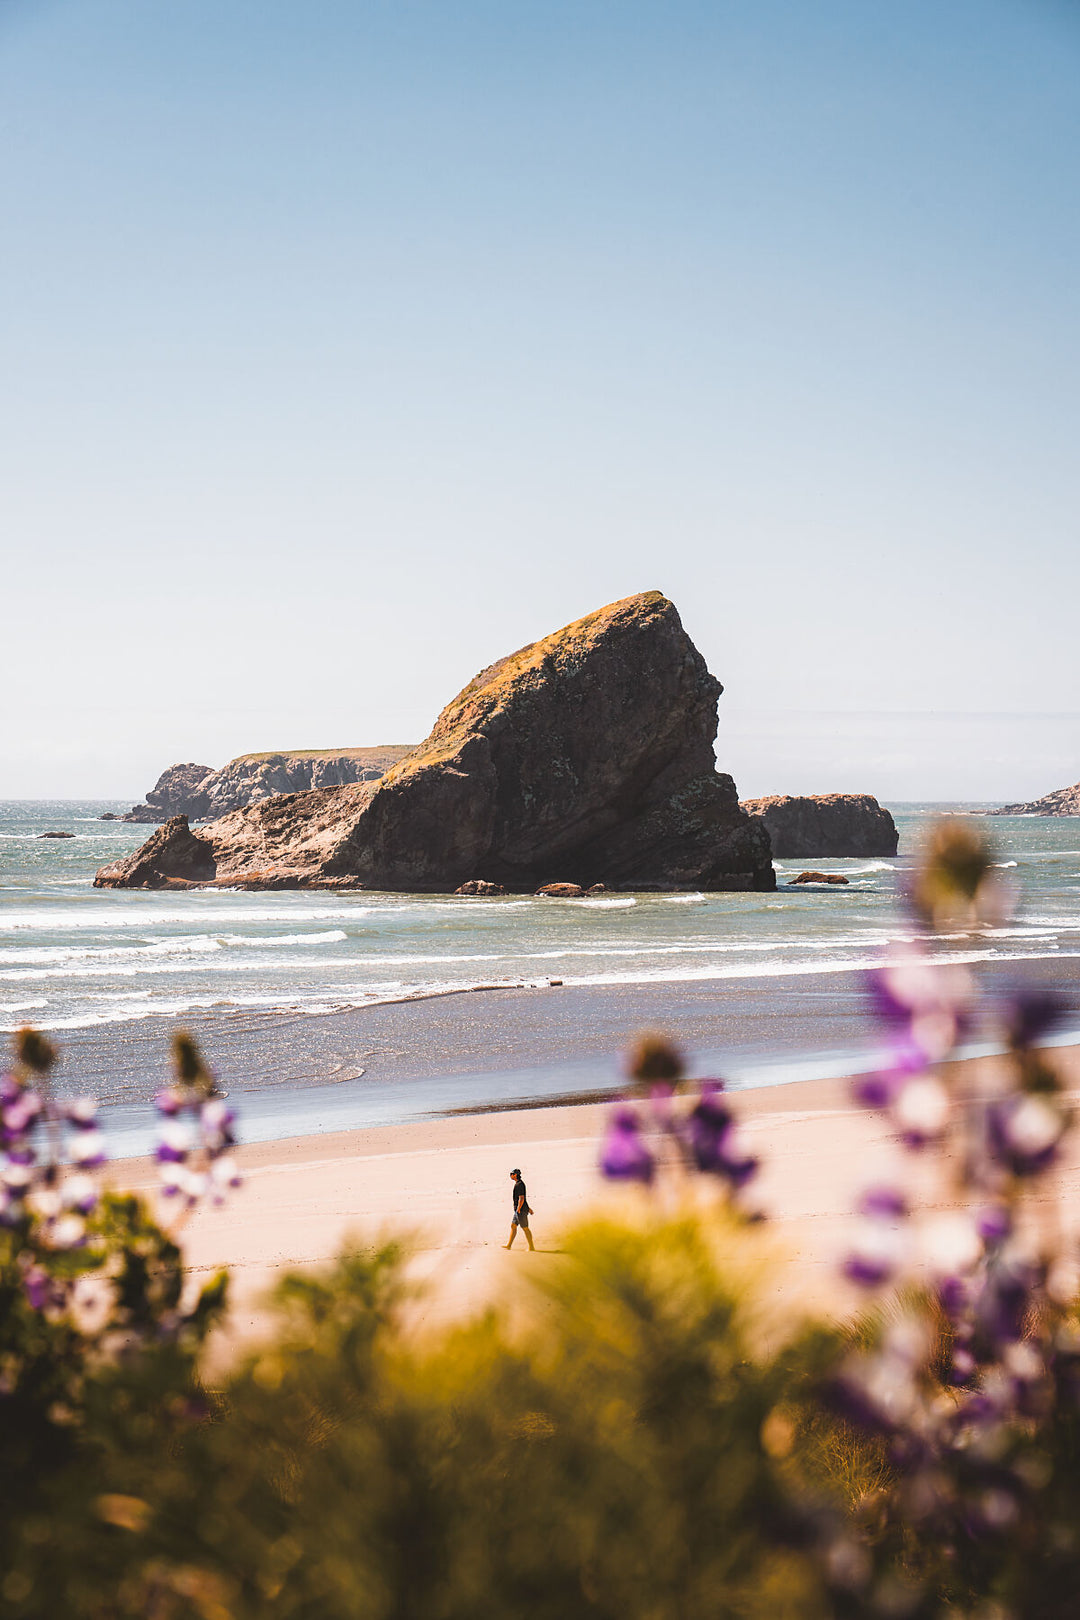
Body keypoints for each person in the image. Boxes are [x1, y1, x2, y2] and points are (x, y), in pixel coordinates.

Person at [504, 1167, 534, 1250]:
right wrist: (528, 1208)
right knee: (513, 1226)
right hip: (519, 1210)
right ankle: (509, 1246)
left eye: (511, 1174)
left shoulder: (520, 1184)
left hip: (520, 1210)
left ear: (515, 1175)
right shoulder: (518, 1183)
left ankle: (531, 1247)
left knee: (525, 1228)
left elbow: (521, 1198)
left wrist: (519, 1209)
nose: (510, 1175)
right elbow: (523, 1199)